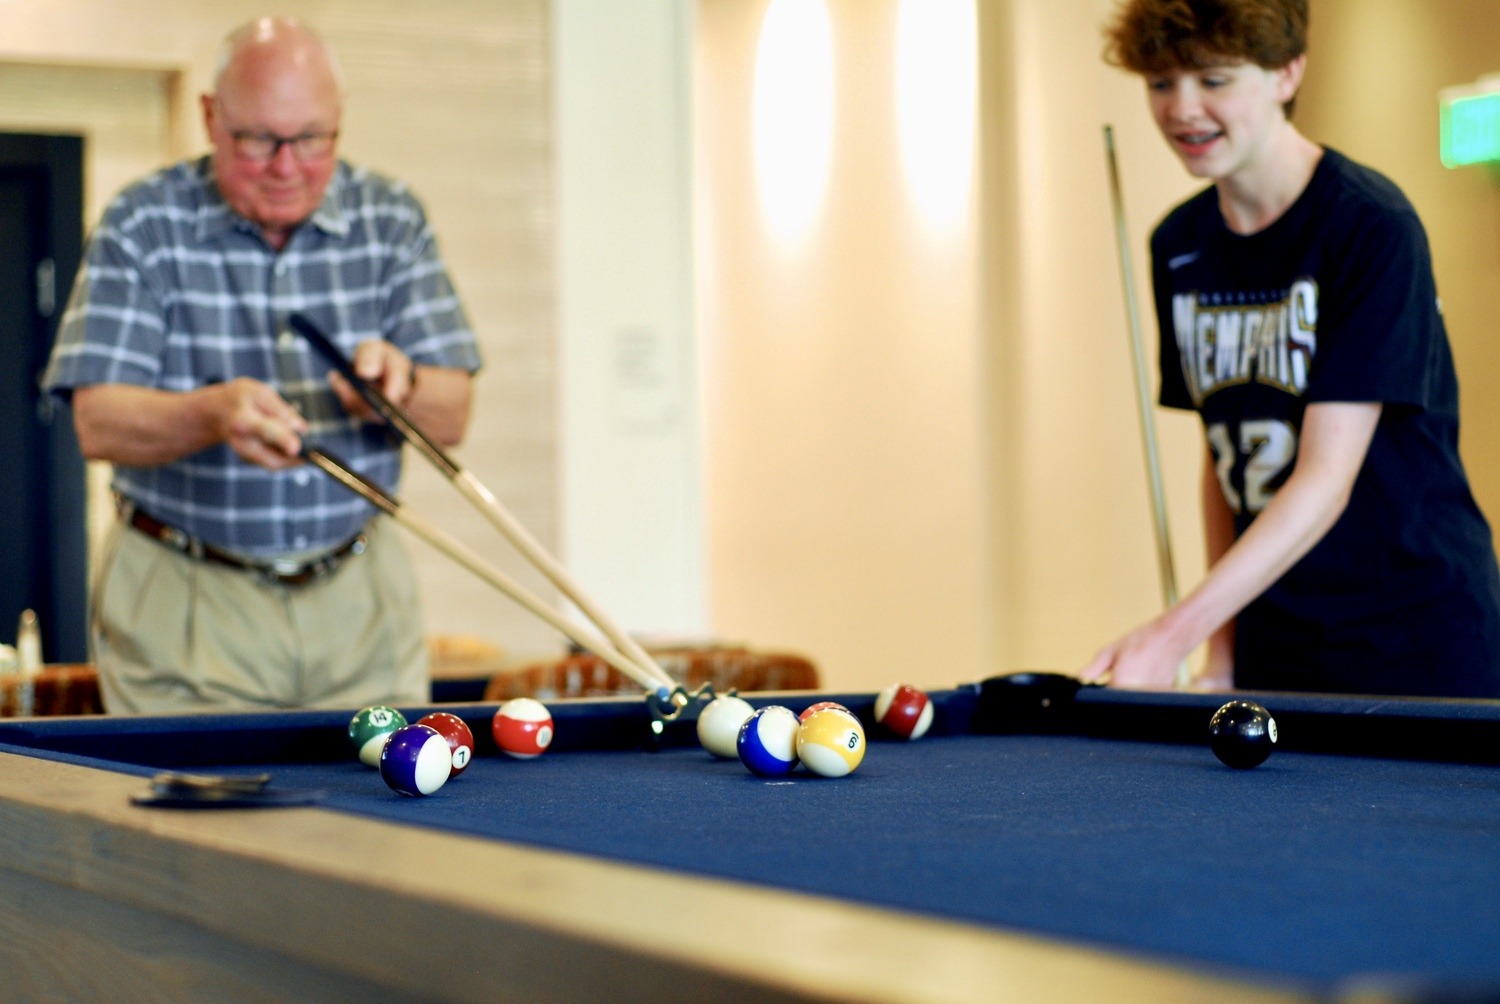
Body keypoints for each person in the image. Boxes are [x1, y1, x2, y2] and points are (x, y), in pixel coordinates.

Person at [42, 17, 482, 713]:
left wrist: (395, 390)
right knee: (195, 817)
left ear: (339, 121)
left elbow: (452, 412)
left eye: (312, 140)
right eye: (258, 141)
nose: (286, 166)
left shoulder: (391, 218)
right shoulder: (144, 222)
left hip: (358, 592)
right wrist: (210, 413)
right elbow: (99, 424)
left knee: (381, 815)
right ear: (212, 118)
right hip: (187, 599)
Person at [1082, 0, 1500, 697]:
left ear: (1286, 73)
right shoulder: (1178, 245)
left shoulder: (1371, 226)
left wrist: (1171, 632)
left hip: (1415, 637)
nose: (1182, 109)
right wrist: (1222, 653)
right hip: (1278, 642)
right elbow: (1223, 463)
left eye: (1214, 80)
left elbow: (1325, 480)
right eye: (1161, 83)